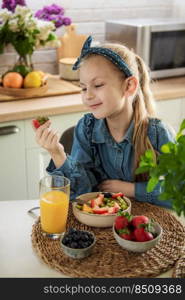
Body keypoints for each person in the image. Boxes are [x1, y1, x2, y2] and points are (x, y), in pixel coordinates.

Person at [34, 36, 175, 208]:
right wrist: (57, 153)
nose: (88, 95)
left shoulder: (157, 133)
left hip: (148, 226)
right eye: (83, 88)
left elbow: (177, 191)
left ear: (129, 86)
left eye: (98, 85)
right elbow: (83, 193)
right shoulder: (86, 129)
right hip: (102, 226)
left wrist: (130, 189)